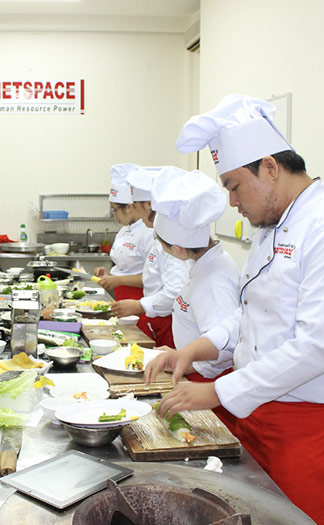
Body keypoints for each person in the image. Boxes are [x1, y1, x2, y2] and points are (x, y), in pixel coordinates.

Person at [145, 94, 324, 525]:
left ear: (269, 167)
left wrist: (216, 391)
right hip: (262, 408)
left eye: (234, 186)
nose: (232, 202)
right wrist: (195, 349)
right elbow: (249, 314)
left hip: (315, 423)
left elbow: (317, 346)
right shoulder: (271, 229)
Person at [148, 166, 240, 431]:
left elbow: (223, 351)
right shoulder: (204, 264)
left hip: (208, 389)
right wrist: (181, 355)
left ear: (178, 248)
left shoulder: (214, 280)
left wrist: (189, 363)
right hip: (195, 375)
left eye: (163, 245)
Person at [110, 166, 190, 347]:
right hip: (156, 317)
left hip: (169, 321)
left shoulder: (173, 240)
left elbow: (174, 292)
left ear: (147, 205)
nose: (136, 213)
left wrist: (139, 305)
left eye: (135, 206)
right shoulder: (157, 234)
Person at [94, 163, 153, 301]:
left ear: (129, 207)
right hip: (123, 299)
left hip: (140, 301)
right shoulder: (124, 230)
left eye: (115, 210)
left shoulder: (149, 232)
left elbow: (154, 278)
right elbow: (126, 270)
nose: (114, 215)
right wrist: (109, 276)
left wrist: (119, 280)